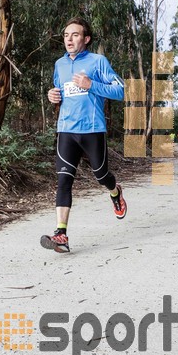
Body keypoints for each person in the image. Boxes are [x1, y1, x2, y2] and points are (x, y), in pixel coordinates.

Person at [41, 17, 127, 254]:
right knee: (63, 180)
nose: (69, 39)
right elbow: (61, 91)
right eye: (66, 35)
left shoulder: (98, 62)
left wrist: (92, 85)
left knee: (101, 175)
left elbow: (119, 90)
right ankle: (61, 234)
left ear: (86, 39)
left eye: (75, 35)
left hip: (92, 129)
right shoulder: (59, 64)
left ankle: (115, 192)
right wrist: (53, 96)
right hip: (67, 129)